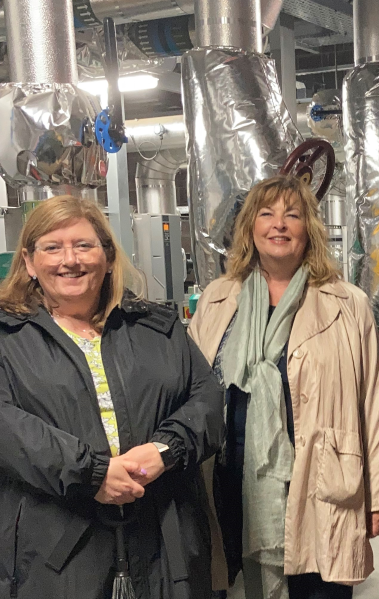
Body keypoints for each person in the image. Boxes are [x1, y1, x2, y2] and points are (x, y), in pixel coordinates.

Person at [189, 175, 379, 599]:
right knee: (230, 584)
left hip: (320, 478)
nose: (279, 224)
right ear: (250, 227)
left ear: (310, 228)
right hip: (230, 479)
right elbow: (194, 393)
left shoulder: (347, 303)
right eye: (267, 214)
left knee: (317, 589)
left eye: (293, 214)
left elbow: (375, 403)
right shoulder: (218, 300)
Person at [0, 195, 223, 599]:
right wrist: (92, 473)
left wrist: (165, 449)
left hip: (163, 538)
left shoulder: (157, 327)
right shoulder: (7, 336)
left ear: (107, 255)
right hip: (55, 547)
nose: (70, 259)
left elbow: (206, 398)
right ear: (30, 262)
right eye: (52, 247)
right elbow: (7, 427)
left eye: (84, 245)